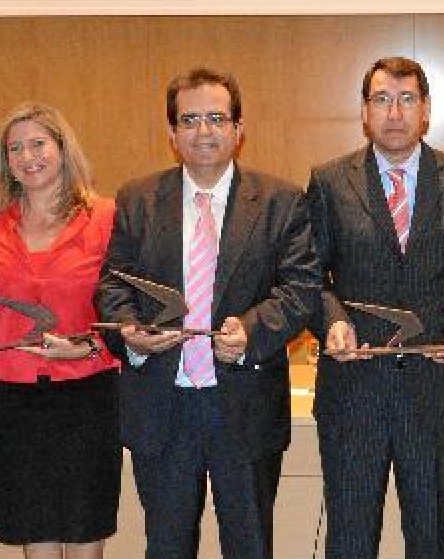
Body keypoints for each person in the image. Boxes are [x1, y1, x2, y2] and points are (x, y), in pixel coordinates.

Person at [95, 67, 320, 559]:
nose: (203, 131)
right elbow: (113, 284)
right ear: (172, 133)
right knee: (168, 547)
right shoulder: (139, 199)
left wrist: (253, 328)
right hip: (162, 403)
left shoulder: (280, 201)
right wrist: (130, 333)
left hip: (243, 403)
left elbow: (301, 289)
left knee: (250, 546)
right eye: (189, 119)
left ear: (239, 130)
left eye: (216, 118)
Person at [305, 56, 444, 558]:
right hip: (354, 392)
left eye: (407, 99)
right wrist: (334, 320)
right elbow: (309, 278)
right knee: (350, 541)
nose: (394, 112)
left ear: (426, 110)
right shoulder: (329, 182)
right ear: (365, 112)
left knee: (431, 541)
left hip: (433, 394)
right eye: (382, 99)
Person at [0, 102, 122, 559]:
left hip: (85, 394)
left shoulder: (106, 217)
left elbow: (124, 307)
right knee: (31, 526)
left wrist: (90, 349)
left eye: (38, 143)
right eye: (14, 147)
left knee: (83, 528)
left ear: (62, 148)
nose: (27, 155)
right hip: (11, 396)